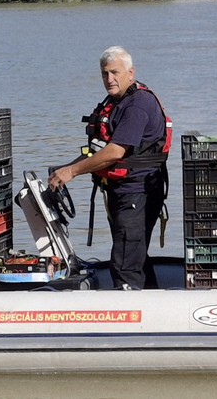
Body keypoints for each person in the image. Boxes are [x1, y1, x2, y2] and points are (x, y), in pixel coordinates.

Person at [48, 46, 171, 290]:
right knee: (133, 256)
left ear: (130, 72)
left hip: (138, 194)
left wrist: (72, 172)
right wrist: (66, 168)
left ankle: (134, 317)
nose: (109, 79)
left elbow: (115, 152)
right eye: (105, 74)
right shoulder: (117, 102)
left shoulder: (137, 105)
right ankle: (151, 300)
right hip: (122, 192)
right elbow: (99, 150)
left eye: (115, 72)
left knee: (125, 264)